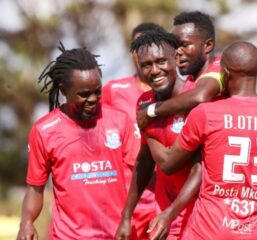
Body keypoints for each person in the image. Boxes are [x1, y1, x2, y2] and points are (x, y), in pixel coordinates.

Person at [145, 41, 257, 239]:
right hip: (251, 232)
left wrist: (147, 127)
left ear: (223, 72)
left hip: (207, 232)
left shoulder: (207, 114)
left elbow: (169, 162)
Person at [17, 44, 137, 239]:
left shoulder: (120, 120)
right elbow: (35, 188)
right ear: (64, 90)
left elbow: (140, 174)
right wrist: (27, 222)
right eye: (84, 94)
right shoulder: (44, 130)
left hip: (117, 235)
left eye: (97, 91)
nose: (93, 99)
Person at [115, 31, 202, 240]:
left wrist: (171, 213)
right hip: (164, 215)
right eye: (146, 65)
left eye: (161, 61)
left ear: (176, 58)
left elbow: (201, 168)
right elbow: (145, 159)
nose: (155, 70)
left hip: (198, 214)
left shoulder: (196, 100)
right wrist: (126, 216)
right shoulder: (144, 102)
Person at [102, 22, 165, 240]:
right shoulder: (113, 90)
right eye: (137, 47)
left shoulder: (178, 94)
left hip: (161, 201)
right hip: (125, 200)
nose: (143, 53)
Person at [136, 11, 224, 130]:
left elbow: (200, 95)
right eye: (175, 46)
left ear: (208, 45)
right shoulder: (190, 81)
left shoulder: (221, 67)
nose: (178, 52)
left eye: (184, 45)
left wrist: (151, 110)